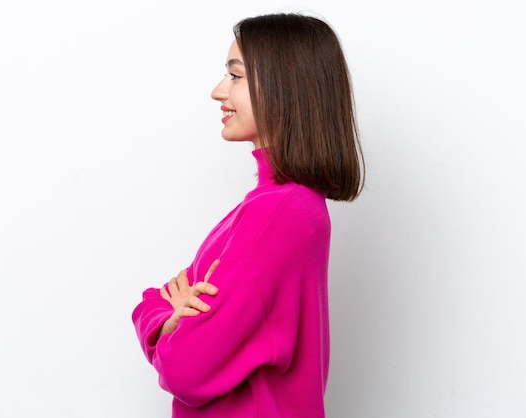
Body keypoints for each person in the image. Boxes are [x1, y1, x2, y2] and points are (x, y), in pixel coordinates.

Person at [132, 12, 364, 418]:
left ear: (284, 86)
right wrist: (167, 319)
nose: (217, 91)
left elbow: (185, 369)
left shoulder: (277, 214)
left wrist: (166, 325)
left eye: (235, 76)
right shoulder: (278, 206)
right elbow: (159, 299)